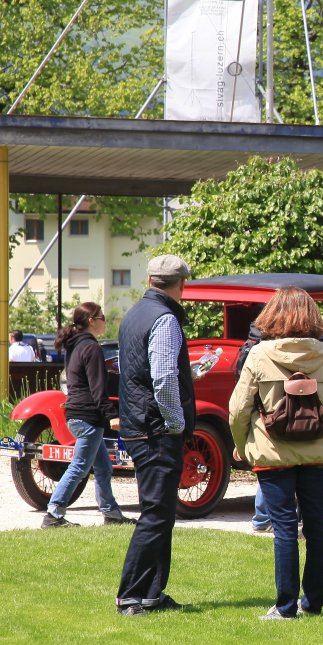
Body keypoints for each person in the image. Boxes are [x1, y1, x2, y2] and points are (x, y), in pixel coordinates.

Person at [228, 287, 323, 619]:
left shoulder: (258, 355)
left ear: (272, 315)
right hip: (317, 455)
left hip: (273, 454)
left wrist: (244, 447)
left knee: (283, 528)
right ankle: (313, 603)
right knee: (317, 526)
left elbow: (237, 411)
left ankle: (284, 607)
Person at [115, 254, 196, 616]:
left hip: (138, 423)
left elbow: (138, 371)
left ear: (149, 281)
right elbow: (163, 379)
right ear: (182, 285)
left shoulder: (134, 314)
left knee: (161, 513)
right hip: (156, 429)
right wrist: (175, 422)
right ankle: (130, 596)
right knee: (155, 514)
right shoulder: (165, 319)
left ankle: (152, 594)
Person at [41, 302, 129, 529]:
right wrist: (111, 415)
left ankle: (112, 514)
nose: (105, 321)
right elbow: (97, 388)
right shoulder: (91, 348)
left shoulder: (75, 345)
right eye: (102, 317)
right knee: (79, 467)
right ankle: (53, 514)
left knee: (103, 467)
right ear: (91, 321)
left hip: (77, 414)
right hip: (88, 416)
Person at [234, 319, 272, 535]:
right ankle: (263, 518)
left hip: (254, 415)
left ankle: (262, 517)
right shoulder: (263, 351)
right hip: (267, 416)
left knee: (265, 469)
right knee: (270, 468)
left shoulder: (248, 347)